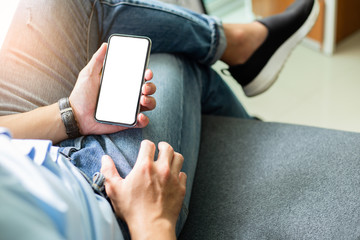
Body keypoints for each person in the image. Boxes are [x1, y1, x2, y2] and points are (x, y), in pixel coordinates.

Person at [0, 0, 319, 238]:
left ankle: (236, 46)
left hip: (19, 149)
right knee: (176, 61)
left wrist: (70, 115)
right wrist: (151, 220)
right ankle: (241, 62)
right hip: (102, 193)